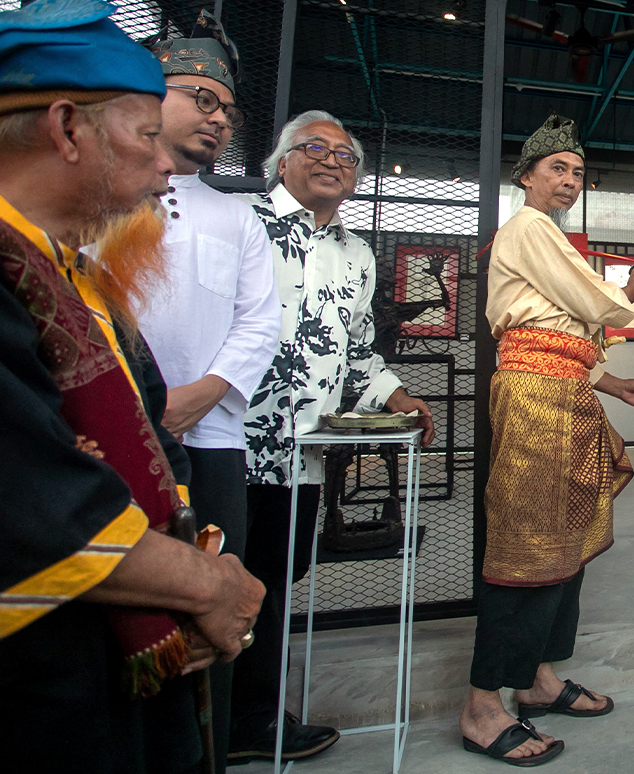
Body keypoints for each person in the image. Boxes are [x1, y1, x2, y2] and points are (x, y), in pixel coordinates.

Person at [0, 2, 265, 771]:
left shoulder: (66, 274)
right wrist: (205, 587)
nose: (163, 166)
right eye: (148, 136)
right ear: (66, 128)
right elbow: (34, 505)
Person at [227, 110, 435, 764]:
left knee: (274, 579)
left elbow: (355, 354)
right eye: (313, 147)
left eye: (345, 156)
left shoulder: (355, 254)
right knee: (213, 581)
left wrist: (397, 394)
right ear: (280, 162)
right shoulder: (242, 225)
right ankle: (196, 720)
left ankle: (254, 721)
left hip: (303, 453)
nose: (331, 161)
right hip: (225, 442)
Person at [458, 113, 634, 767]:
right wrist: (631, 293)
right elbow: (595, 303)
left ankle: (539, 681)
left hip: (564, 390)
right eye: (557, 168)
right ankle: (483, 705)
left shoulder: (551, 238)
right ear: (527, 175)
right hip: (533, 398)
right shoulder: (528, 227)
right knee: (527, 544)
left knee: (564, 539)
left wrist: (613, 384)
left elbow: (569, 328)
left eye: (576, 171)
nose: (569, 180)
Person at [137, 13, 280, 773]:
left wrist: (197, 398)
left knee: (214, 616)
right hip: (111, 439)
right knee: (129, 620)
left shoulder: (240, 216)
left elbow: (261, 321)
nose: (217, 118)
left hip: (212, 438)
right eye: (199, 98)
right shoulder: (103, 193)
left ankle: (210, 757)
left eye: (226, 108)